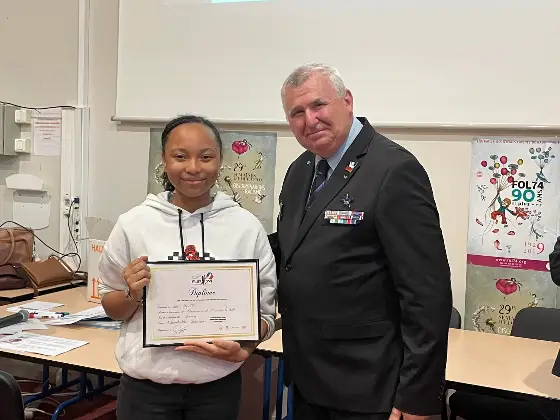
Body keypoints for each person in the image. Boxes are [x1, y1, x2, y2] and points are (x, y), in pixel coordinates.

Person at [273, 63, 453, 420]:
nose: (310, 120)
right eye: (297, 112)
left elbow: (427, 294)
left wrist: (417, 394)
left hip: (368, 386)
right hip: (310, 377)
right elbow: (293, 249)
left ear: (347, 101)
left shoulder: (393, 170)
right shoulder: (301, 170)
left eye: (318, 105)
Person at [98, 115, 277, 420]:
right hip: (146, 391)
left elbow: (265, 313)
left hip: (217, 388)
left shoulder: (246, 226)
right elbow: (110, 304)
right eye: (180, 156)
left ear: (220, 161)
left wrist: (247, 346)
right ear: (164, 160)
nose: (193, 168)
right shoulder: (133, 224)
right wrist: (131, 294)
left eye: (205, 157)